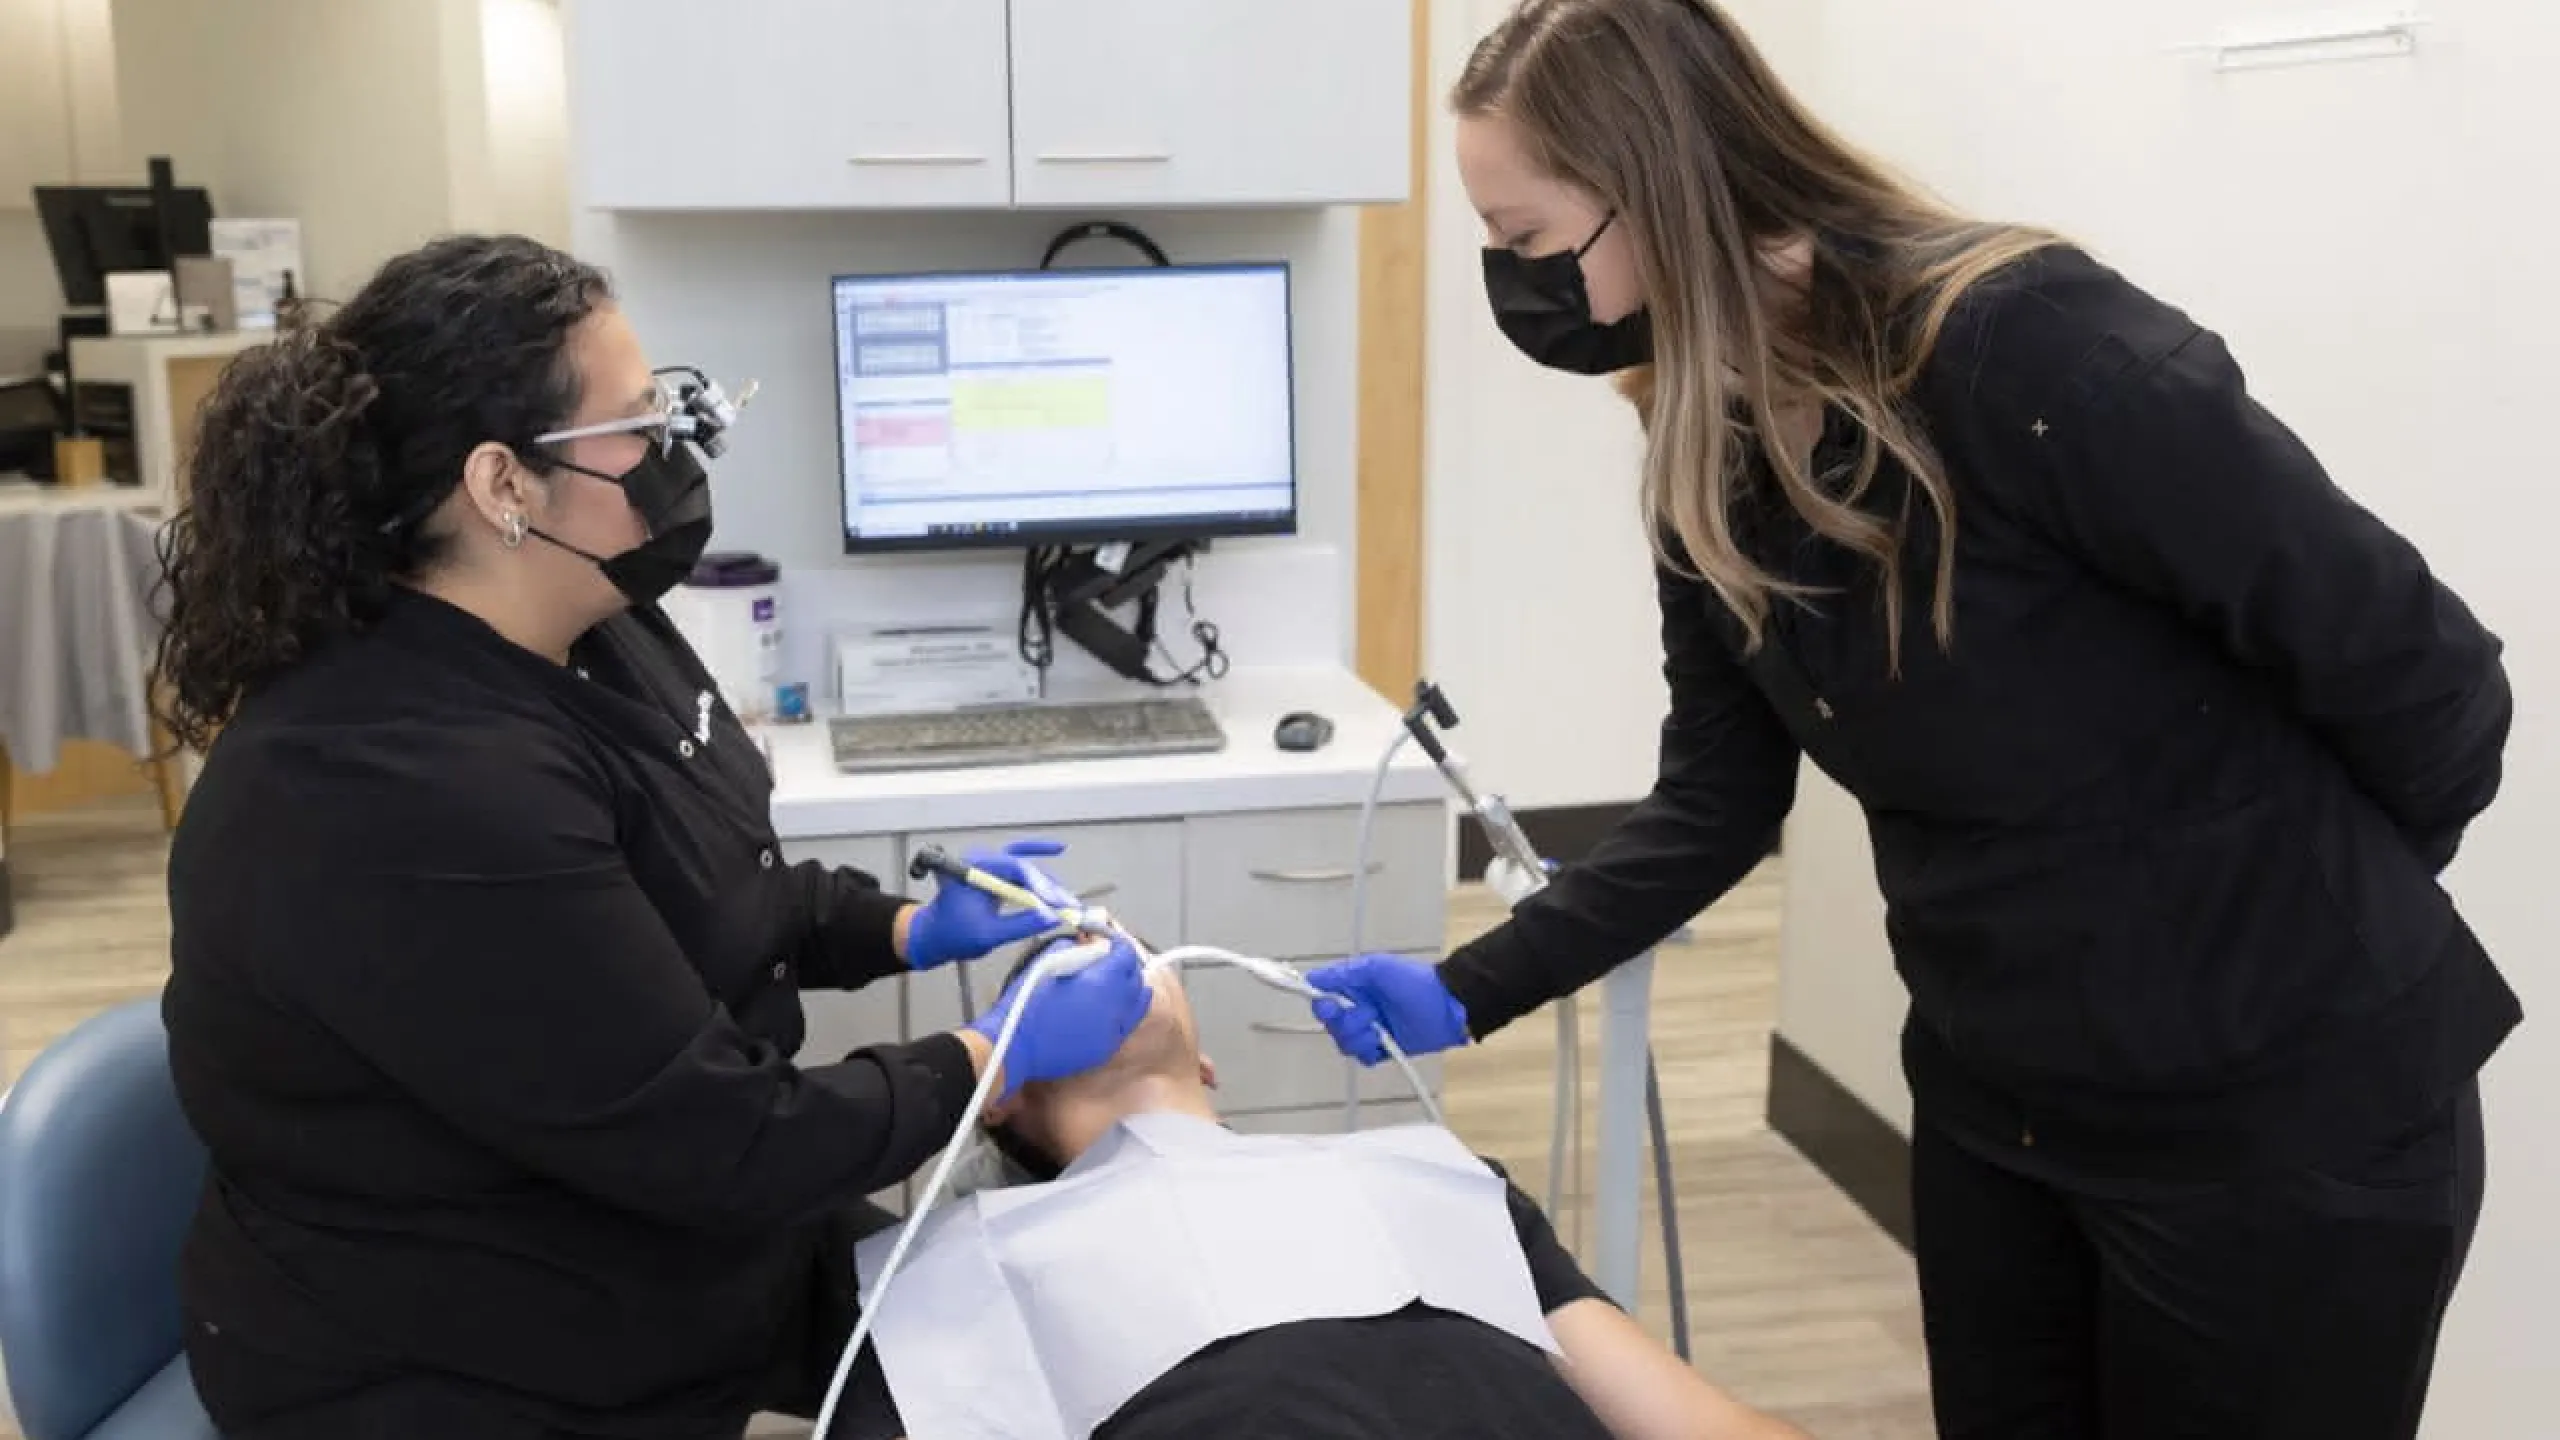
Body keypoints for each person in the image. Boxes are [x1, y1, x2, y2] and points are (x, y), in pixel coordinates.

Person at [1301, 3, 2520, 1437]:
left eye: (1522, 237)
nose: (1513, 281)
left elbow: (2430, 681)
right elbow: (1716, 803)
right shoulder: (1711, 448)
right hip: (2002, 1106)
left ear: (1659, 185)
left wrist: (2291, 919)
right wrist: (1469, 988)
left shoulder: (2025, 350)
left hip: (2283, 1128)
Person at [152, 233, 1155, 1440]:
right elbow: (727, 1140)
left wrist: (899, 926)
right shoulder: (393, 785)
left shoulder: (591, 623)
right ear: (503, 484)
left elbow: (709, 883)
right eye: (640, 426)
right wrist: (992, 1056)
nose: (679, 451)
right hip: (465, 1351)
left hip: (671, 1227)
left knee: (1063, 1359)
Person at [826, 935, 1812, 1440]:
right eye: (1048, 979)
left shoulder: (1434, 1181)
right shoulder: (951, 1276)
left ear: (1205, 1061)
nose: (1096, 946)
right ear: (1000, 1096)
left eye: (1127, 946)